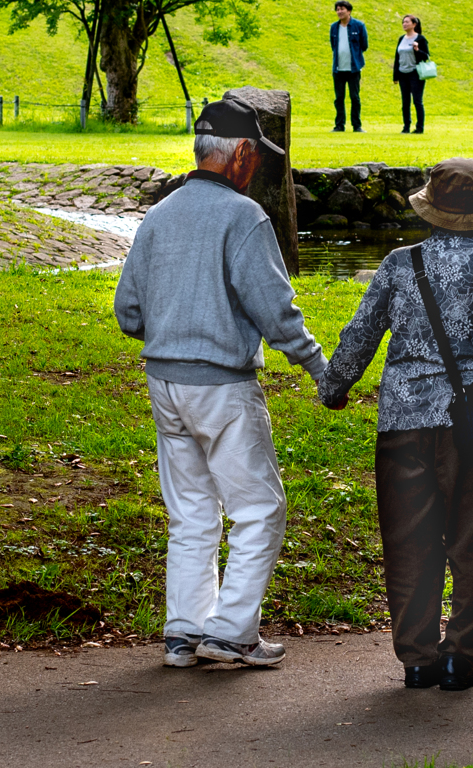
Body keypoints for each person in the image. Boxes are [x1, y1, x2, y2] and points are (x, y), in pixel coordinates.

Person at [318, 158, 473, 691]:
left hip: (404, 422)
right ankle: (459, 659)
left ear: (429, 209)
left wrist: (335, 386)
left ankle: (417, 659)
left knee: (410, 545)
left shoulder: (398, 264)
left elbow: (360, 333)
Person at [114, 98, 328, 670]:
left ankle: (184, 632)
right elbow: (277, 315)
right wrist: (319, 368)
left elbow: (128, 312)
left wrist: (174, 326)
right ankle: (232, 632)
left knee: (191, 512)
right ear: (239, 154)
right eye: (255, 155)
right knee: (259, 508)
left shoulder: (158, 216)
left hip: (165, 384)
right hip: (223, 388)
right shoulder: (244, 218)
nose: (256, 166)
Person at [329, 0, 368, 133]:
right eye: (337, 9)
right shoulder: (334, 27)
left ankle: (357, 125)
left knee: (355, 97)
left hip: (354, 68)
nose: (339, 12)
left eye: (342, 9)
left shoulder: (358, 25)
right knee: (339, 98)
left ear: (349, 11)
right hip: (338, 68)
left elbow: (364, 45)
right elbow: (333, 45)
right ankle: (339, 125)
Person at [393, 14, 429, 135]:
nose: (404, 24)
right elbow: (397, 57)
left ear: (414, 24)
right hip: (403, 73)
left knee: (417, 101)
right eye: (403, 22)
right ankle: (406, 126)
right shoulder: (401, 39)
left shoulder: (420, 39)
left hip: (415, 73)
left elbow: (426, 57)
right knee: (405, 101)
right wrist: (395, 76)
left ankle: (419, 127)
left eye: (407, 22)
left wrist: (417, 50)